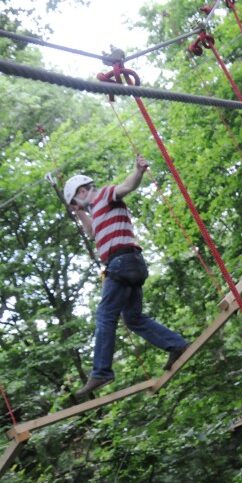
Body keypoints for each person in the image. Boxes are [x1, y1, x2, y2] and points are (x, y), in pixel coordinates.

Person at [64, 155, 190, 397]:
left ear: (82, 190)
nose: (80, 206)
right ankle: (176, 344)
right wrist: (78, 212)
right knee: (132, 318)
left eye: (77, 200)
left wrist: (139, 171)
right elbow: (90, 232)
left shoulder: (104, 195)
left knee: (105, 315)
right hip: (131, 264)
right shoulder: (97, 213)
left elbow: (127, 186)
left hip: (121, 263)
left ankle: (101, 372)